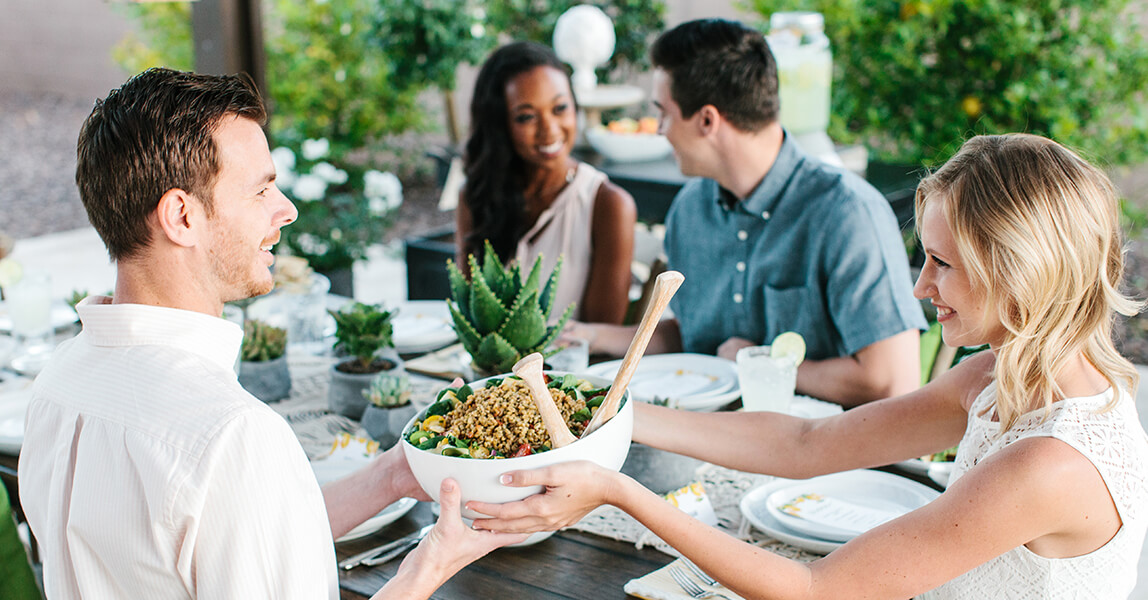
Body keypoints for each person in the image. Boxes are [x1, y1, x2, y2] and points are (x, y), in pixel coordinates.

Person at [473, 133, 1148, 598]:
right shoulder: (1000, 377)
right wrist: (604, 411)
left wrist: (618, 489)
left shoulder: (1051, 463)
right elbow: (806, 443)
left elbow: (815, 589)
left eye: (940, 263)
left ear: (1020, 272)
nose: (920, 287)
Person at [18, 68, 525, 599]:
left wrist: (392, 475)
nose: (287, 209)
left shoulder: (58, 383)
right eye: (261, 190)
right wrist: (429, 569)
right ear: (181, 218)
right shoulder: (230, 435)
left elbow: (233, 540)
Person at [569, 19, 925, 406]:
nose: (659, 130)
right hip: (706, 440)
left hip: (824, 452)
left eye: (664, 114)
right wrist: (592, 336)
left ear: (707, 120)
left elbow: (892, 382)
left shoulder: (848, 213)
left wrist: (756, 362)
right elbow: (694, 339)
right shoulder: (690, 210)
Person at [456, 41, 637, 325]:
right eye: (526, 116)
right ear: (500, 124)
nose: (550, 130)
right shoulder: (476, 196)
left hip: (573, 369)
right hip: (489, 370)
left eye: (560, 108)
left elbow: (603, 338)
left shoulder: (609, 205)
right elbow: (469, 318)